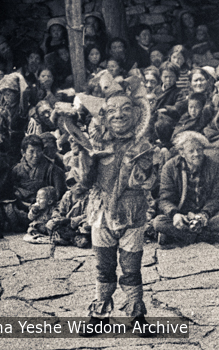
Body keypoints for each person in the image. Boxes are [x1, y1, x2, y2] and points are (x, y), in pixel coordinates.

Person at [76, 91, 157, 332]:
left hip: (132, 212)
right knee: (104, 266)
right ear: (104, 116)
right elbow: (85, 182)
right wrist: (87, 161)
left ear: (135, 114)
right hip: (101, 212)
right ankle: (100, 317)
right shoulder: (97, 143)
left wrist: (141, 168)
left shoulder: (143, 146)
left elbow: (148, 182)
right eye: (111, 110)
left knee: (131, 267)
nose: (119, 114)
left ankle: (138, 317)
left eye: (125, 109)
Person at [153, 131, 219, 246]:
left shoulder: (215, 167)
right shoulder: (169, 168)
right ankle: (217, 237)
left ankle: (175, 237)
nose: (197, 154)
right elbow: (164, 200)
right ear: (182, 153)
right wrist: (175, 214)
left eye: (199, 149)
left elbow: (217, 198)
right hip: (183, 216)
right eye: (191, 151)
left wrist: (205, 214)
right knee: (158, 222)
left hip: (206, 216)